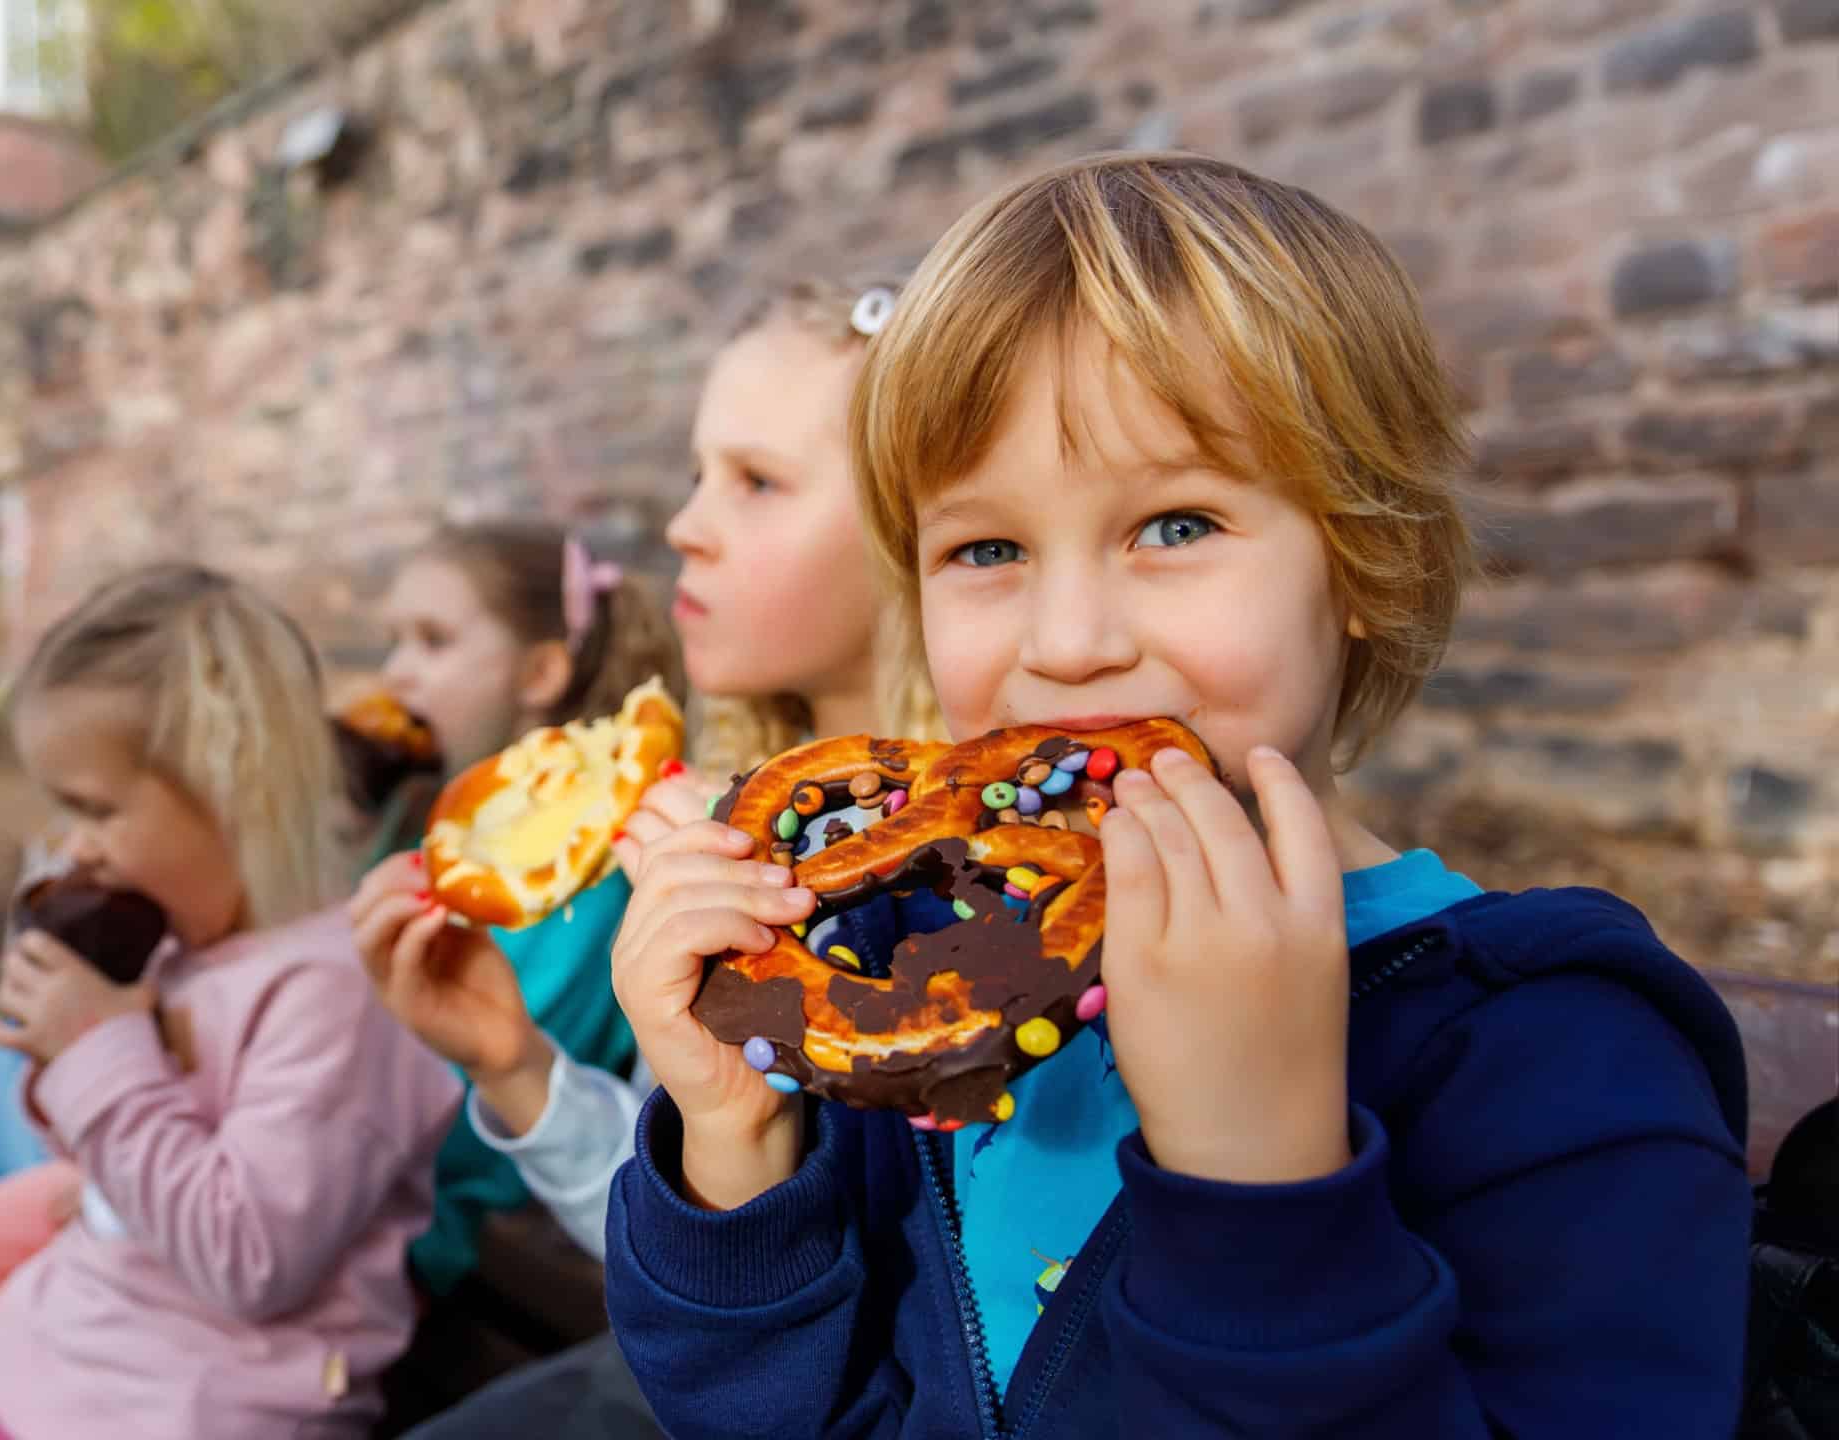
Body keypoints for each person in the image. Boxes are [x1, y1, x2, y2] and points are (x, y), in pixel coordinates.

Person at [606, 152, 1752, 1438]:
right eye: (985, 549)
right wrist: (735, 1153)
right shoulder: (900, 982)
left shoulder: (1554, 1060)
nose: (1070, 637)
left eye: (1176, 525)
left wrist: (1260, 1178)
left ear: (1367, 557)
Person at [357, 277, 941, 1439]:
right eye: (696, 474)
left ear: (923, 534)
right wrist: (511, 1062)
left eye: (757, 482)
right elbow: (693, 1240)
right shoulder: (715, 828)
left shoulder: (966, 885)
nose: (681, 527)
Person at [0, 565, 462, 1440]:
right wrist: (56, 1052)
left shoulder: (335, 997)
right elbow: (126, 1151)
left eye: (96, 810)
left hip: (206, 1398)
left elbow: (252, 1261)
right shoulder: (178, 946)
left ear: (233, 786)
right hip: (112, 1327)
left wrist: (97, 1053)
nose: (76, 847)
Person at [350, 519, 682, 1298]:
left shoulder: (573, 887)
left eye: (432, 642)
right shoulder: (415, 821)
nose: (395, 673)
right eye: (392, 641)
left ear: (537, 673)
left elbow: (472, 1126)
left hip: (413, 1219)